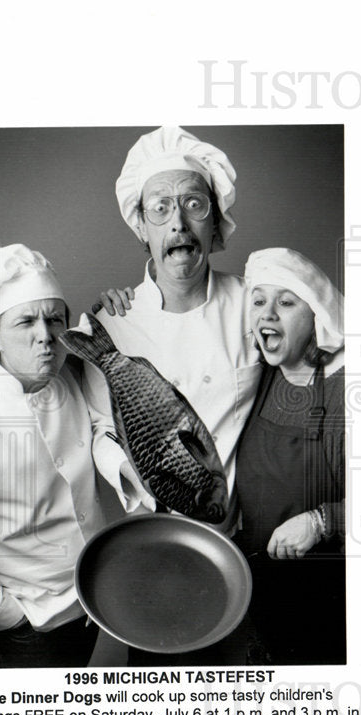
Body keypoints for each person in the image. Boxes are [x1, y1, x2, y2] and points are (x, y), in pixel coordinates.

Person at [0, 244, 140, 668]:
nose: (44, 335)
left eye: (54, 319)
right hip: (31, 625)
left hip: (90, 601)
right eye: (25, 321)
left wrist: (115, 311)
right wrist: (7, 617)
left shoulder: (68, 373)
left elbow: (108, 351)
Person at [84, 125, 261, 530]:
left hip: (256, 531)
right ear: (142, 227)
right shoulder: (110, 326)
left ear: (214, 221)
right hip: (164, 530)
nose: (178, 222)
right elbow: (102, 430)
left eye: (194, 204)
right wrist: (150, 483)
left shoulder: (255, 305)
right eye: (160, 208)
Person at [234, 248, 345, 665]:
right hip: (262, 593)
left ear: (317, 315)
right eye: (259, 301)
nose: (268, 315)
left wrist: (321, 521)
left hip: (324, 602)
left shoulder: (342, 392)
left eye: (286, 302)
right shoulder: (260, 377)